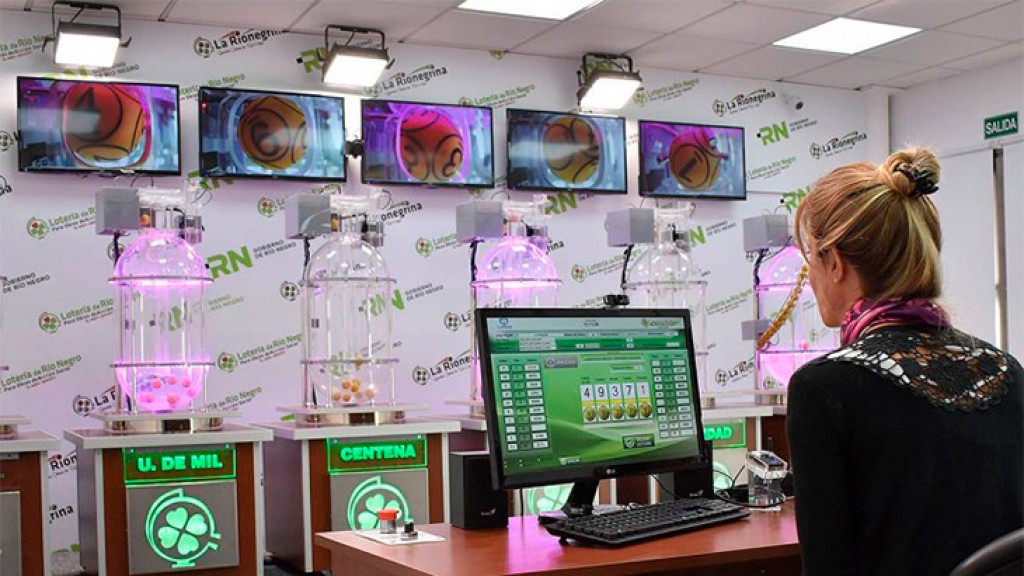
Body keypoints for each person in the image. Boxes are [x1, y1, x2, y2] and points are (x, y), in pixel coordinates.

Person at [787, 147, 1023, 576]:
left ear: (835, 262)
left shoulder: (824, 389)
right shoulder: (1005, 371)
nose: (811, 281)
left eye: (810, 264)